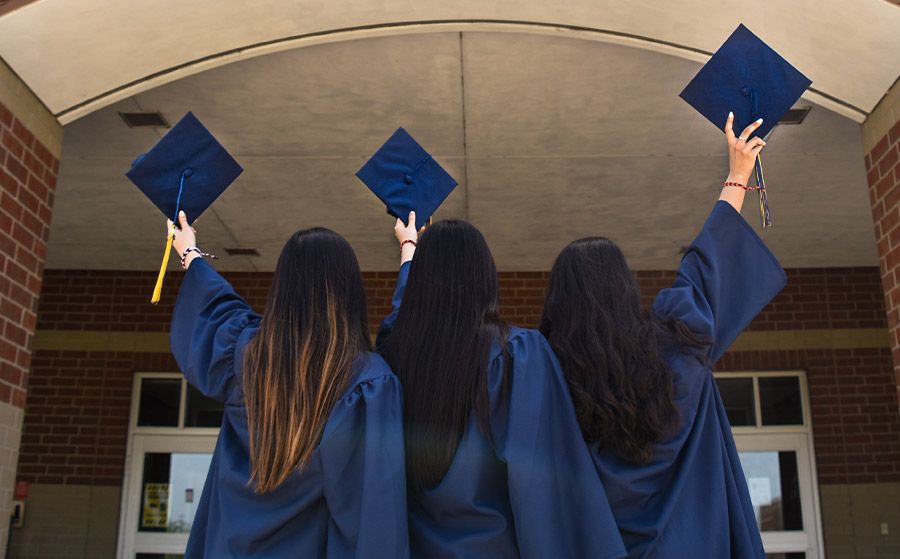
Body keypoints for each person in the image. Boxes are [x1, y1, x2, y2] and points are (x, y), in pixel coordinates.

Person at [539, 114, 783, 558]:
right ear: (625, 291)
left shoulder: (546, 381)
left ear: (559, 304)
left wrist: (411, 253)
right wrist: (738, 173)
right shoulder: (676, 347)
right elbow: (707, 265)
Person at [377, 212, 626, 559]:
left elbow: (399, 317)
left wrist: (410, 251)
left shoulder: (392, 359)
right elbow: (542, 486)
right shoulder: (515, 355)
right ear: (485, 278)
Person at [167, 212, 409, 558]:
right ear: (351, 290)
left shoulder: (245, 356)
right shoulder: (366, 381)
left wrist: (189, 251)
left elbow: (216, 307)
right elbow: (373, 514)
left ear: (282, 287)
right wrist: (408, 252)